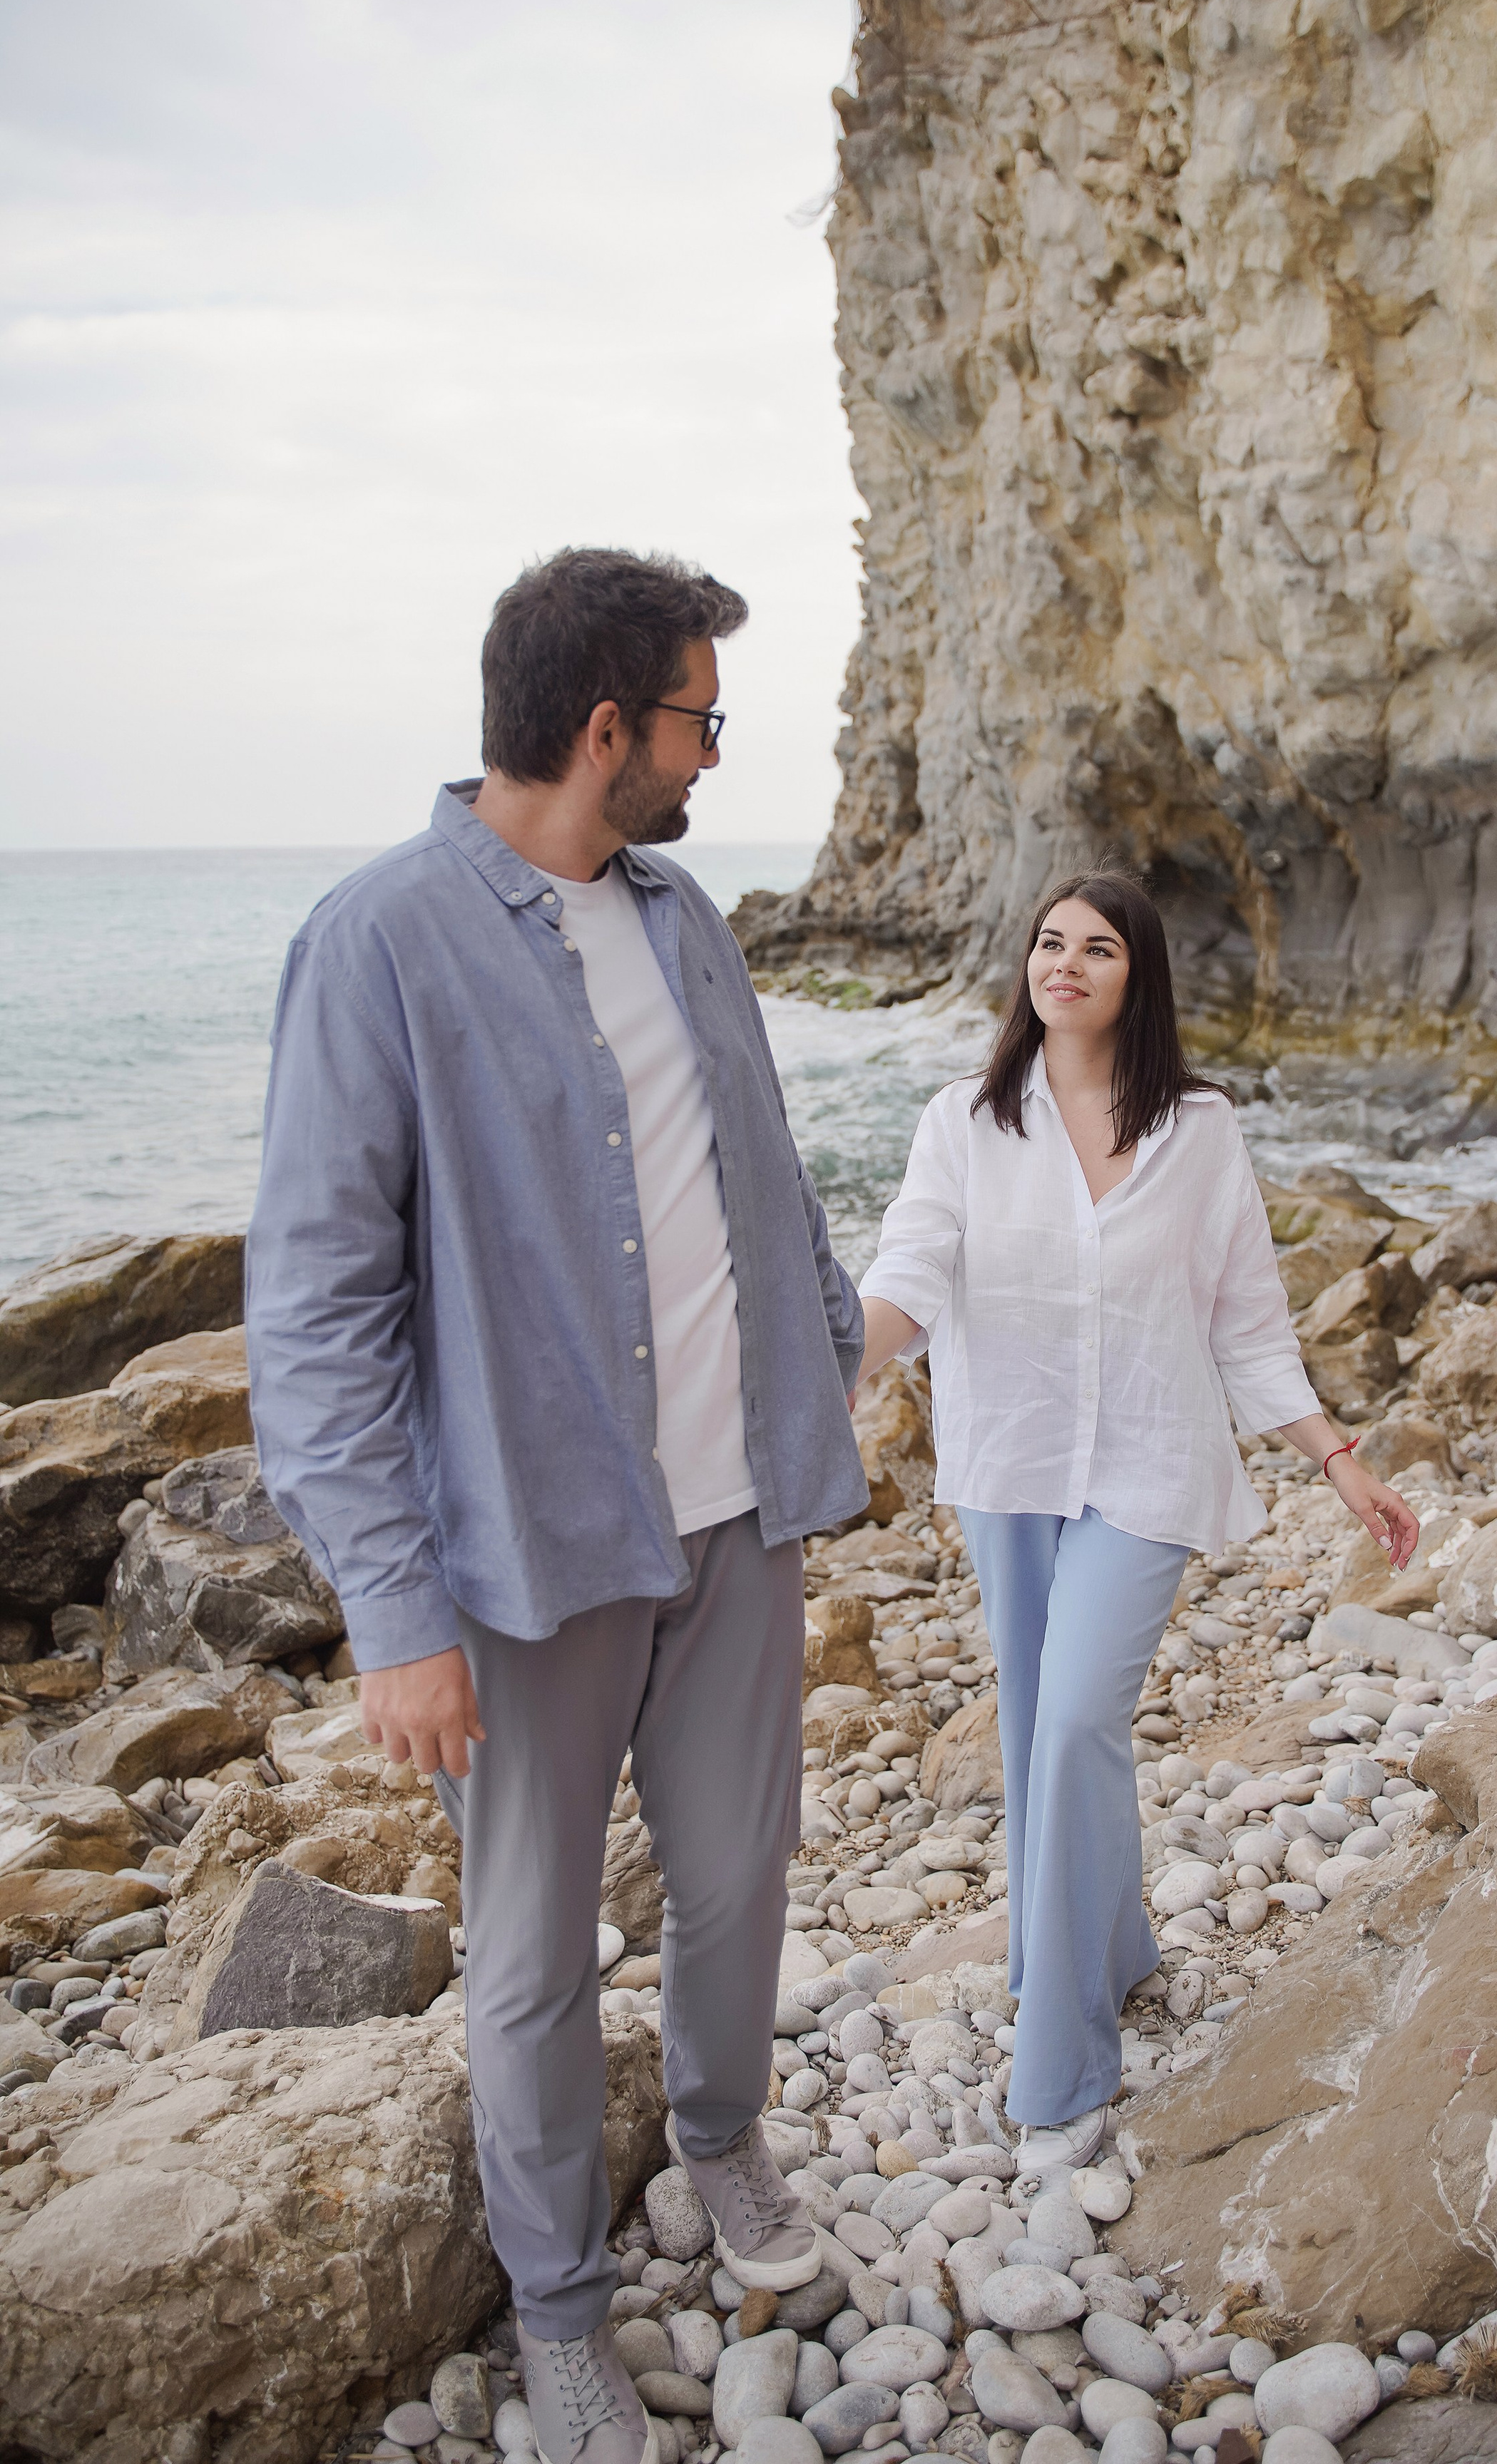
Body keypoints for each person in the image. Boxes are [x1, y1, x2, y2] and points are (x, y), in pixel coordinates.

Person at [245, 547, 869, 2464]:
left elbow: (760, 1172)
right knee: (527, 1955)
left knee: (740, 1883)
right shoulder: (379, 945)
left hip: (733, 1519)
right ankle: (562, 2307)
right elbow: (320, 1306)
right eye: (698, 719)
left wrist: (832, 1359)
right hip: (525, 1563)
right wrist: (396, 1610)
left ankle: (720, 2142)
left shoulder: (689, 924)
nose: (710, 758)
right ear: (606, 729)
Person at [853, 869, 1419, 2172]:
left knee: (1073, 1720)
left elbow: (1247, 1324)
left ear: (1135, 977)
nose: (1065, 963)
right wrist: (845, 1361)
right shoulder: (965, 1120)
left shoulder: (1199, 1132)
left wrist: (1339, 1461)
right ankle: (1112, 1952)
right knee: (1036, 1722)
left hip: (1151, 1467)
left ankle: (1058, 2063)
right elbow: (912, 1273)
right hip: (1012, 1464)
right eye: (1049, 942)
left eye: (1096, 948)